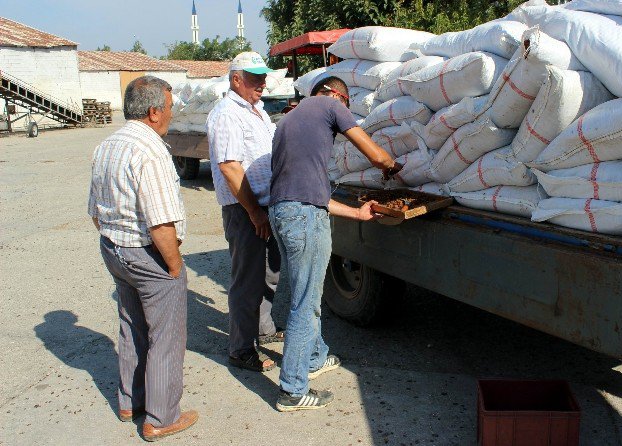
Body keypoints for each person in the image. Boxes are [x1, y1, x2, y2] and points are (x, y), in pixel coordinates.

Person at [269, 76, 402, 411]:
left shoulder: (289, 120)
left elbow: (313, 196)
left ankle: (314, 359)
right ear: (337, 96)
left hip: (283, 211)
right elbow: (373, 153)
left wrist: (358, 214)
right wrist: (392, 166)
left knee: (304, 291)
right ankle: (292, 390)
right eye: (348, 103)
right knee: (306, 302)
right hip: (303, 218)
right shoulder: (330, 105)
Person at [87, 75, 198, 441]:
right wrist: (175, 266)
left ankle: (129, 401)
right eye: (169, 108)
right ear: (153, 112)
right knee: (165, 335)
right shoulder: (149, 151)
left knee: (132, 325)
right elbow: (161, 222)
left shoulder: (107, 146)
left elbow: (96, 212)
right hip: (146, 253)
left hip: (114, 249)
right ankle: (161, 417)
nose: (171, 114)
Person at [205, 51, 283, 373]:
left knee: (271, 272)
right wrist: (254, 212)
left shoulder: (259, 112)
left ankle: (262, 327)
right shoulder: (226, 113)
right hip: (244, 209)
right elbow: (230, 167)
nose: (262, 83)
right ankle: (240, 348)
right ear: (236, 79)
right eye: (255, 78)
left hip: (265, 205)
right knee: (246, 279)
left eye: (264, 77)